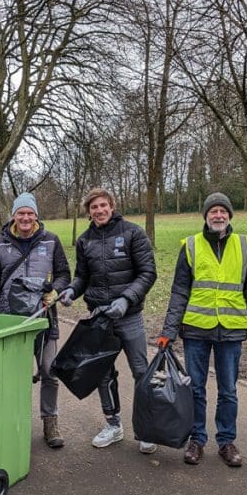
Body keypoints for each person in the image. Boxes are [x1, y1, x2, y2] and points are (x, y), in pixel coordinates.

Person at [157, 192, 247, 468]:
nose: (218, 215)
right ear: (205, 216)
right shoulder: (191, 246)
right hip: (196, 329)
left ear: (229, 215)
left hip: (230, 331)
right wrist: (168, 331)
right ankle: (197, 439)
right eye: (213, 211)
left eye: (223, 211)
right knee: (195, 388)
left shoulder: (244, 246)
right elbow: (179, 292)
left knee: (228, 390)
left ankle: (226, 441)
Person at [60, 187, 158, 454]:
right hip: (99, 318)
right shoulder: (84, 241)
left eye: (103, 205)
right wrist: (71, 289)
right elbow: (82, 277)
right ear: (89, 212)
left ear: (112, 206)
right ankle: (113, 425)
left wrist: (126, 299)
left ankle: (146, 428)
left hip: (130, 317)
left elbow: (148, 273)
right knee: (102, 373)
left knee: (141, 371)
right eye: (94, 207)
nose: (99, 210)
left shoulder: (133, 233)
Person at [0, 192, 70, 448]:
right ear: (13, 215)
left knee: (49, 371)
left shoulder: (51, 240)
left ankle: (50, 422)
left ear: (36, 216)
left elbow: (64, 273)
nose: (25, 218)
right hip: (10, 323)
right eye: (21, 213)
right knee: (13, 377)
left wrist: (54, 290)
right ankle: (14, 422)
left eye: (30, 213)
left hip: (43, 319)